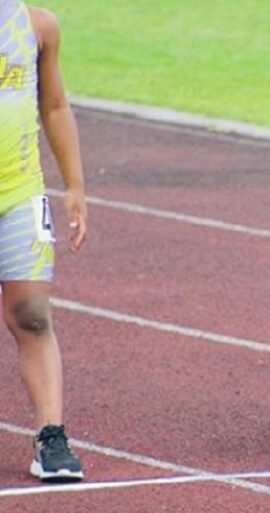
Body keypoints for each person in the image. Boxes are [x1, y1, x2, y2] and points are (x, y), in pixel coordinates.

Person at [1, 1, 87, 482]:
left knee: (32, 314)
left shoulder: (37, 26)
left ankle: (51, 438)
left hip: (20, 192)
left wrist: (74, 186)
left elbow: (53, 106)